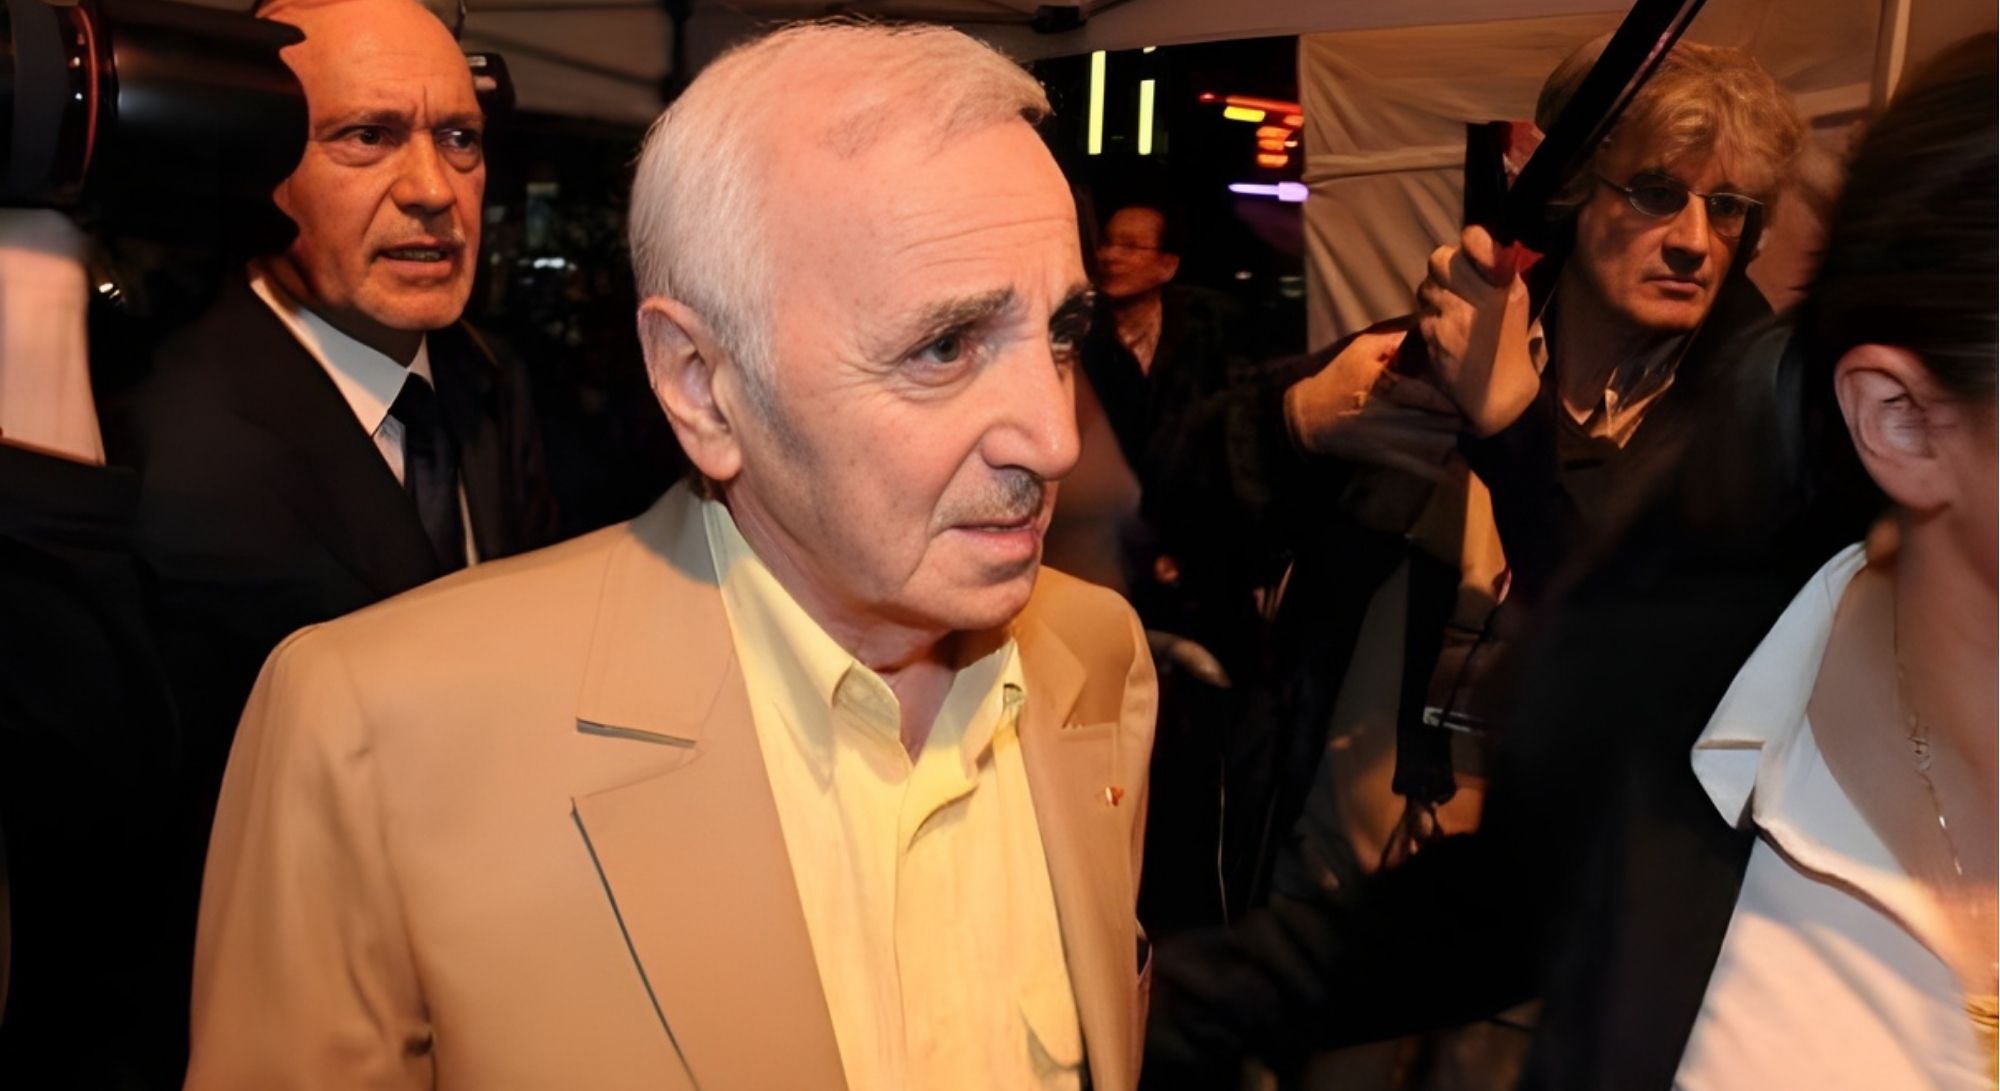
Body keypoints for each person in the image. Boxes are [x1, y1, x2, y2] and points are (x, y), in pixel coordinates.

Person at [185, 20, 1158, 1091]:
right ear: (700, 385)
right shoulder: (372, 734)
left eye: (1060, 336)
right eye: (944, 346)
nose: (1054, 438)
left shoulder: (1093, 658)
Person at [1147, 33, 1995, 1091]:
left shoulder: (1753, 442)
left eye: (1729, 208)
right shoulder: (1433, 353)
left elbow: (1645, 675)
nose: (1693, 240)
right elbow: (1161, 511)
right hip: (1335, 915)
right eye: (1656, 192)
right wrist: (1292, 422)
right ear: (1568, 193)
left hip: (1549, 979)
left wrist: (1517, 432)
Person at [93, 0, 557, 1075]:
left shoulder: (494, 385)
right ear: (264, 168)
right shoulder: (155, 442)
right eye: (368, 136)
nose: (432, 188)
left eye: (459, 138)